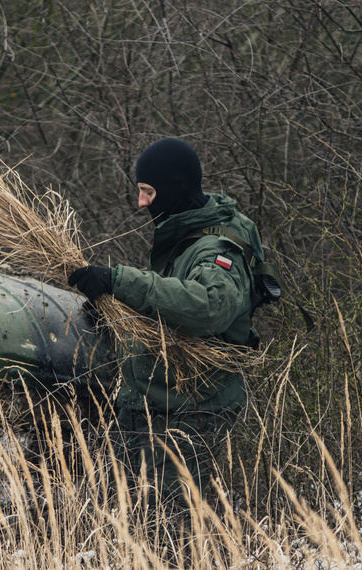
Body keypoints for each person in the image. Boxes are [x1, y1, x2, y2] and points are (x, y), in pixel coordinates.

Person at [68, 137, 265, 508]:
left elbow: (210, 307)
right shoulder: (186, 232)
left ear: (174, 189)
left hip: (190, 410)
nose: (141, 202)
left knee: (171, 532)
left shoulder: (217, 249)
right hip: (157, 401)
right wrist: (118, 313)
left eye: (147, 191)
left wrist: (119, 281)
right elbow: (170, 304)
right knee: (125, 517)